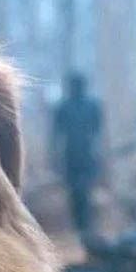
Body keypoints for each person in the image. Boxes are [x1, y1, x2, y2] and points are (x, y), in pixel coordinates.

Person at [51, 72, 104, 243]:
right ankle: (81, 228)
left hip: (84, 155)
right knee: (76, 193)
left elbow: (99, 133)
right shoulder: (64, 107)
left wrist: (100, 155)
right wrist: (54, 158)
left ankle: (85, 228)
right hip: (73, 155)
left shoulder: (91, 106)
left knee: (83, 192)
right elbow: (55, 135)